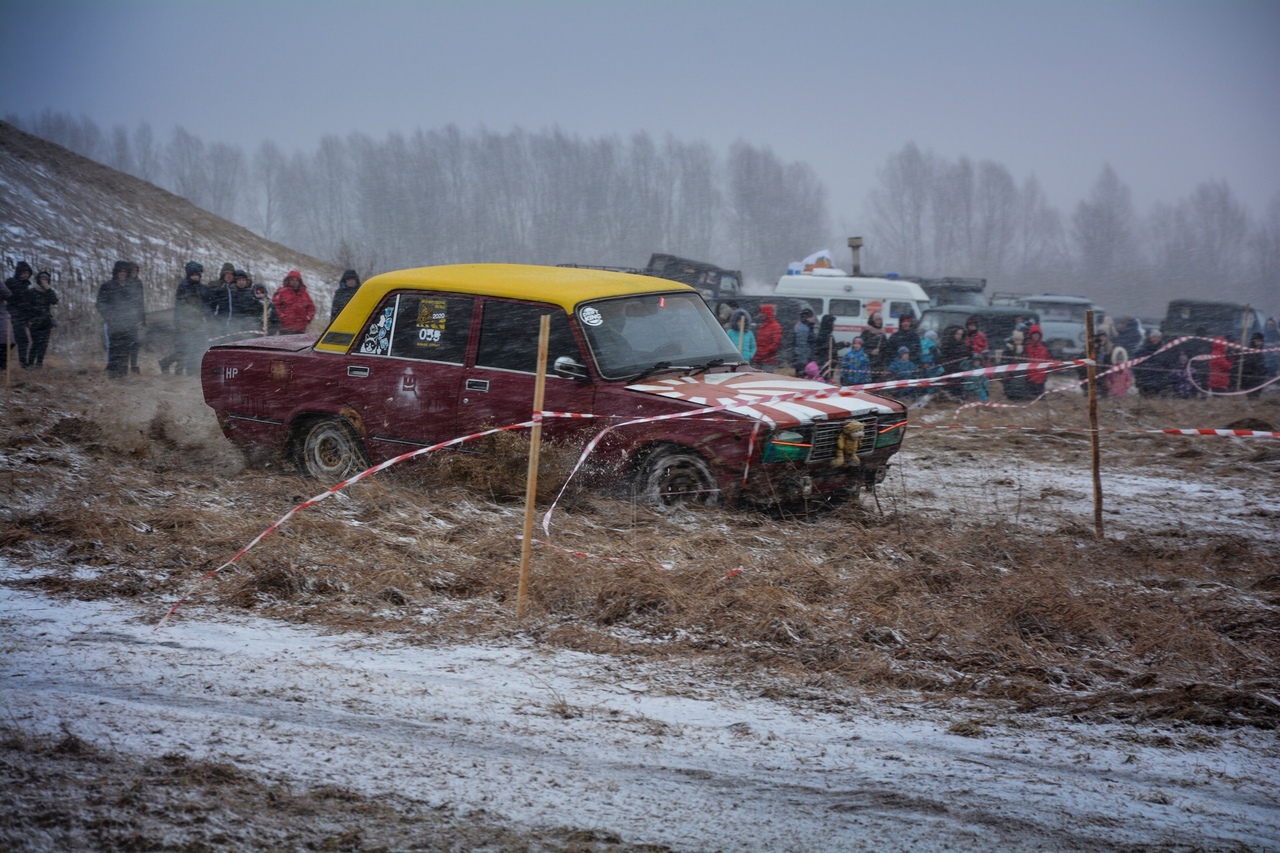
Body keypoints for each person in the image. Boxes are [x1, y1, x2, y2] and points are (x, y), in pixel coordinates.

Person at [160, 261, 209, 376]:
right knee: (186, 348)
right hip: (184, 324)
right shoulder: (184, 286)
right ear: (189, 274)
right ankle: (186, 370)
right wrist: (198, 312)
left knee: (193, 347)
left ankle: (170, 364)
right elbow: (183, 306)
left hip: (197, 323)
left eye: (197, 274)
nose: (196, 276)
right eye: (193, 274)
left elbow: (204, 302)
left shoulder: (199, 287)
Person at [96, 261, 136, 379]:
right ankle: (113, 375)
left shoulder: (131, 286)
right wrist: (108, 316)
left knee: (125, 349)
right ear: (116, 272)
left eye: (124, 271)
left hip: (128, 323)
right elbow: (100, 303)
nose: (122, 274)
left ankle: (122, 374)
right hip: (114, 323)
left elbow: (136, 304)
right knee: (114, 348)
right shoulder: (107, 286)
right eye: (120, 271)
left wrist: (134, 317)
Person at [25, 271, 59, 368]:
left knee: (44, 343)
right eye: (42, 279)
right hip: (34, 321)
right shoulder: (31, 291)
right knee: (35, 343)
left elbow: (55, 301)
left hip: (46, 321)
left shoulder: (48, 292)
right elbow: (27, 307)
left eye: (46, 279)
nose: (45, 281)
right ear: (38, 280)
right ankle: (30, 363)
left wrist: (49, 289)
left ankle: (39, 363)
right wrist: (27, 320)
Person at [5, 261, 34, 367]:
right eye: (24, 272)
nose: (25, 275)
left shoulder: (26, 287)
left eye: (27, 273)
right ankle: (3, 363)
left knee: (22, 340)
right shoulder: (11, 282)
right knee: (9, 342)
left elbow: (27, 304)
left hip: (21, 317)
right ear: (19, 272)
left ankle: (23, 363)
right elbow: (5, 295)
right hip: (10, 316)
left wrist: (28, 319)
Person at [1133, 330, 1173, 398]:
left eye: (1158, 337)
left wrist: (1166, 379)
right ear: (1150, 338)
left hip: (1159, 382)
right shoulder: (1142, 350)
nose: (1156, 339)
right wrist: (1139, 378)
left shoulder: (1164, 351)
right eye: (1154, 337)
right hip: (1145, 381)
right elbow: (1136, 365)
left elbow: (1168, 366)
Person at [123, 261, 147, 374]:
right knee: (124, 343)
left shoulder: (138, 282)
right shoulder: (123, 283)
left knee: (135, 342)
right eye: (132, 271)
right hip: (124, 317)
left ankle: (133, 365)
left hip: (134, 317)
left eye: (136, 271)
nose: (134, 273)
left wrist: (142, 317)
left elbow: (140, 301)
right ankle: (123, 365)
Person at [999, 329, 1030, 401]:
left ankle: (1019, 397)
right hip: (1011, 374)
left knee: (1020, 386)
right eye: (1017, 340)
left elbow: (1026, 361)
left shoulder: (1024, 350)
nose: (1018, 342)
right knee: (1011, 388)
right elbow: (1004, 362)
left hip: (1021, 374)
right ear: (1013, 340)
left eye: (1020, 340)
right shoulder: (1008, 349)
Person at [1024, 324, 1052, 398]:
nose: (1035, 336)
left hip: (1041, 376)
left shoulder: (1045, 348)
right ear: (1031, 335)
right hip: (1030, 376)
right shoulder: (1027, 348)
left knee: (1040, 396)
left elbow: (1049, 359)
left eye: (1037, 335)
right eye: (1034, 334)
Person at [752, 304, 781, 371]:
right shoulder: (763, 325)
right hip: (759, 358)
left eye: (763, 312)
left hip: (768, 360)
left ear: (767, 313)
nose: (761, 315)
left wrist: (764, 352)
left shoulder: (775, 326)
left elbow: (776, 343)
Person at [1239, 332, 1268, 398]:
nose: (1259, 343)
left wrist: (1264, 372)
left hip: (1258, 382)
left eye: (1261, 341)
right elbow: (1246, 366)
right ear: (1253, 341)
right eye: (1257, 341)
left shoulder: (1260, 353)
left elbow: (1262, 366)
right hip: (1250, 382)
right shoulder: (1248, 352)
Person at [860, 311, 888, 375]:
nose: (879, 322)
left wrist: (884, 365)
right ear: (872, 321)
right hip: (867, 363)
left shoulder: (883, 334)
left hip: (879, 364)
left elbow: (886, 350)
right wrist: (871, 352)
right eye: (877, 320)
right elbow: (861, 348)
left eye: (880, 320)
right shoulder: (866, 333)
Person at [791, 307, 816, 375]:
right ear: (808, 318)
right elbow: (802, 346)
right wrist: (805, 362)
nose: (813, 318)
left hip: (804, 359)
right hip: (803, 361)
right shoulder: (803, 329)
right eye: (812, 316)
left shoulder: (806, 327)